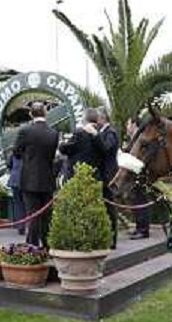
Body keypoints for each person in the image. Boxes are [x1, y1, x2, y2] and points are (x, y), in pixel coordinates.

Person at [14, 102, 59, 247]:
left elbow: (16, 152)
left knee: (32, 215)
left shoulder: (25, 131)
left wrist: (27, 157)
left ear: (30, 114)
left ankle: (32, 247)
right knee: (46, 216)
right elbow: (52, 156)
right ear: (45, 113)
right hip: (47, 179)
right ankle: (47, 246)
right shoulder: (53, 133)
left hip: (29, 180)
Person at [91, 107, 120, 249]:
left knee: (110, 208)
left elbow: (106, 148)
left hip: (109, 176)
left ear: (103, 118)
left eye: (98, 118)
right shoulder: (104, 132)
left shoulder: (111, 133)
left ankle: (112, 239)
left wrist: (95, 136)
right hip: (102, 175)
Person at [59, 108, 103, 181]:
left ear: (84, 120)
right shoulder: (99, 134)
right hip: (95, 178)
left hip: (79, 176)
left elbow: (64, 149)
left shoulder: (80, 134)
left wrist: (61, 143)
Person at [125, 117, 150, 240]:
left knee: (141, 200)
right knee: (136, 200)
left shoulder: (140, 138)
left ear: (134, 124)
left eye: (128, 124)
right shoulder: (134, 138)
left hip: (139, 174)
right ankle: (139, 227)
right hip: (134, 174)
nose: (126, 126)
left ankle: (143, 230)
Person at [7, 152, 26, 235]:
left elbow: (9, 165)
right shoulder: (29, 152)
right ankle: (28, 225)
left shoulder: (13, 153)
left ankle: (20, 225)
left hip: (15, 179)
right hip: (27, 180)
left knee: (18, 204)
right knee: (28, 203)